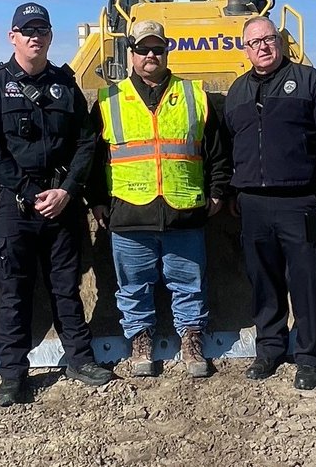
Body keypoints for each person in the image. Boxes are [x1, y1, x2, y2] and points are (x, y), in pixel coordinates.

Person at [0, 2, 115, 405]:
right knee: (13, 293)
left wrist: (67, 190)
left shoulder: (65, 85)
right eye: (27, 31)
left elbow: (86, 142)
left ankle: (79, 360)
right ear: (12, 37)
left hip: (61, 204)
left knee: (66, 289)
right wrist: (29, 192)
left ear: (51, 37)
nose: (35, 37)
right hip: (13, 205)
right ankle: (12, 374)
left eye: (42, 31)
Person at [87, 20, 232, 378]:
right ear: (131, 53)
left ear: (167, 51)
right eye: (143, 49)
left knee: (189, 285)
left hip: (184, 210)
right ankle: (140, 343)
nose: (150, 55)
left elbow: (216, 152)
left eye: (158, 48)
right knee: (133, 287)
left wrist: (217, 192)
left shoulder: (194, 95)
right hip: (129, 212)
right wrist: (97, 200)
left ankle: (191, 341)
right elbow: (92, 159)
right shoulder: (108, 100)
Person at [222, 17, 316, 390]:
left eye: (269, 39)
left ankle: (309, 358)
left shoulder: (309, 81)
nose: (262, 46)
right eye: (254, 42)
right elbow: (230, 146)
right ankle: (270, 349)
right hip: (253, 203)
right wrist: (232, 192)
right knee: (263, 281)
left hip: (301, 200)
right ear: (245, 50)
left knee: (307, 281)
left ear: (280, 42)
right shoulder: (237, 91)